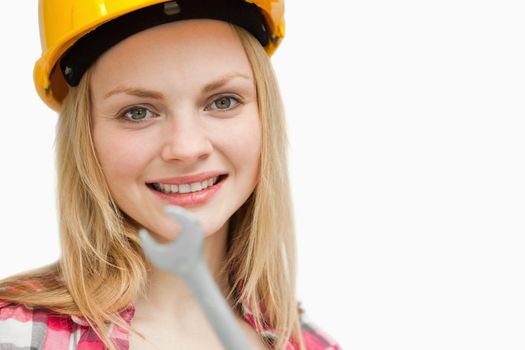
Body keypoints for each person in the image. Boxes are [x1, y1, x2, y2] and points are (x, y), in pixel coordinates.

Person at [0, 0, 341, 349]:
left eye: (222, 101)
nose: (187, 147)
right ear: (85, 137)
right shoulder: (15, 336)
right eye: (137, 112)